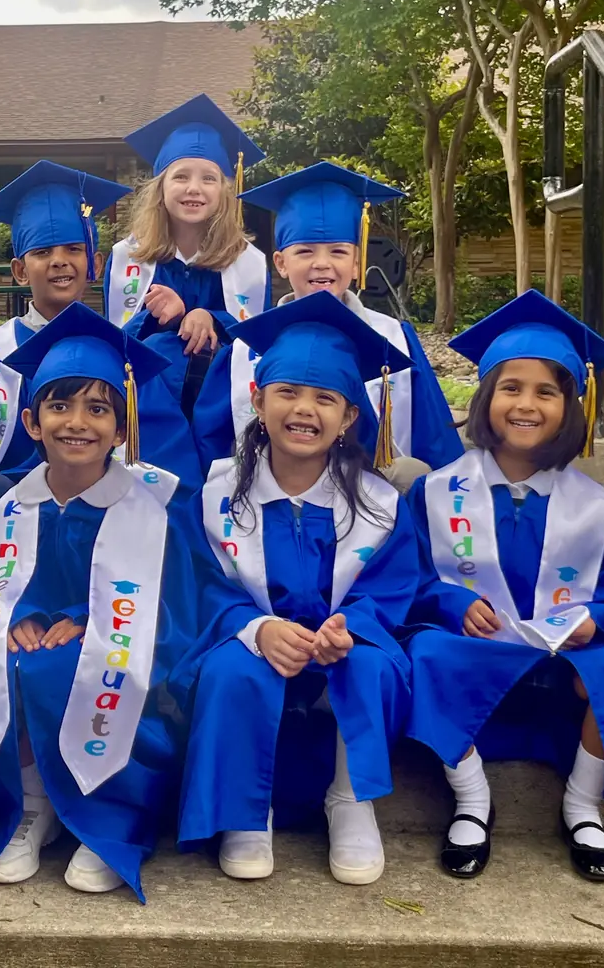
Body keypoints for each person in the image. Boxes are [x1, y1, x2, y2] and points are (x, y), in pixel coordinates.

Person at [0, 303, 194, 902]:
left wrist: (90, 623)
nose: (77, 423)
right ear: (31, 421)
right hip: (33, 646)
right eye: (59, 406)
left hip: (123, 658)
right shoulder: (9, 505)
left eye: (98, 408)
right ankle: (31, 804)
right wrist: (14, 617)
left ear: (124, 424)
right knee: (3, 664)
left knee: (68, 666)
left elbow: (176, 611)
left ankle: (107, 817)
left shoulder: (155, 507)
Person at [172, 291, 420, 885]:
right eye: (287, 393)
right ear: (257, 400)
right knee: (233, 668)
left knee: (372, 665)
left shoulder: (380, 504)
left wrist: (348, 628)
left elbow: (393, 590)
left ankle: (350, 797)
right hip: (253, 643)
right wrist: (256, 628)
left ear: (350, 417)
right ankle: (244, 814)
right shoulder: (215, 497)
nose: (303, 410)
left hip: (339, 648)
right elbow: (196, 585)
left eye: (325, 398)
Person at [405, 289, 604, 883]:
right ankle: (472, 799)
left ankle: (582, 804)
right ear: (485, 399)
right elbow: (407, 578)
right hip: (475, 646)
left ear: (571, 407)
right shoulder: (433, 495)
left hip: (564, 655)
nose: (526, 405)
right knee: (425, 652)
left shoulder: (600, 508)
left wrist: (596, 618)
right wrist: (449, 600)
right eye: (511, 388)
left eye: (546, 392)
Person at [0, 160, 200, 506]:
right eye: (42, 252)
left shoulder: (124, 360)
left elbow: (166, 456)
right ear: (20, 271)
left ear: (95, 265)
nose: (59, 261)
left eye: (73, 249)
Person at [193, 161, 462, 483]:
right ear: (280, 263)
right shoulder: (244, 349)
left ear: (357, 262)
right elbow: (212, 447)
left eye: (338, 251)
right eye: (305, 252)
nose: (322, 264)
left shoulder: (394, 337)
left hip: (377, 503)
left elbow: (433, 437)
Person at [105, 94, 271, 406]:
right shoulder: (127, 259)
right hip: (150, 408)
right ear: (161, 188)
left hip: (223, 410)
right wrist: (166, 318)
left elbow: (259, 343)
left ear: (224, 192)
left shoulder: (248, 262)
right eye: (180, 176)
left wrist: (209, 317)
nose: (193, 188)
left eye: (209, 178)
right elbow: (118, 345)